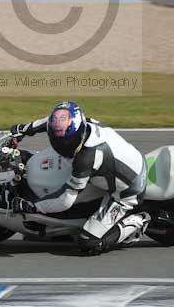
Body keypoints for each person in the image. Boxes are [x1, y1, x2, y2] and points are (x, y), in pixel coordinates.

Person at [10, 101, 150, 256]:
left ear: (77, 132)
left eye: (66, 140)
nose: (61, 143)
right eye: (57, 139)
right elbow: (49, 122)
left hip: (126, 193)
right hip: (117, 168)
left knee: (89, 243)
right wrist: (22, 129)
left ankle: (138, 220)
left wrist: (33, 207)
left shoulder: (86, 158)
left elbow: (65, 200)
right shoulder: (83, 124)